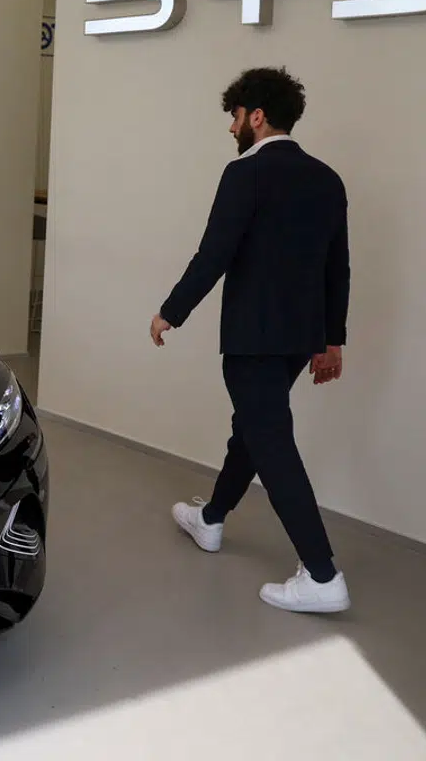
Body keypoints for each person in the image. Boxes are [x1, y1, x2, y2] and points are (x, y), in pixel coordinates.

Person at [151, 66, 351, 614]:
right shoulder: (327, 179)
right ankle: (211, 518)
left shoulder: (244, 173)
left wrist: (171, 311)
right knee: (254, 428)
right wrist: (332, 339)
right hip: (300, 338)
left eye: (235, 116)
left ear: (256, 117)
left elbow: (215, 253)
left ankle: (322, 574)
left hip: (252, 337)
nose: (231, 127)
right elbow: (337, 267)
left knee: (270, 440)